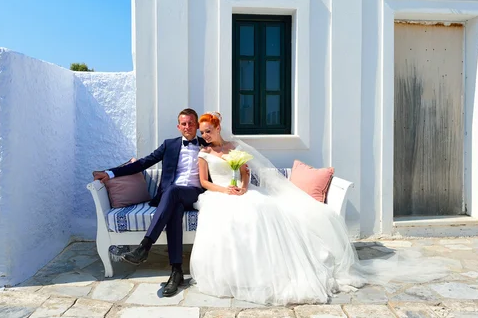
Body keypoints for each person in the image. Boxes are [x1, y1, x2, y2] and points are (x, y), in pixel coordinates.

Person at [189, 112, 447, 306]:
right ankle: (237, 274)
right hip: (220, 195)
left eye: (208, 130)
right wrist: (227, 191)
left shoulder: (234, 148)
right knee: (230, 219)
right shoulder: (204, 152)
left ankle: (276, 269)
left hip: (242, 192)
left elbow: (245, 173)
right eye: (203, 132)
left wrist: (243, 187)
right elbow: (204, 182)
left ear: (218, 127)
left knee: (262, 209)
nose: (205, 135)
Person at [93, 108, 208, 297]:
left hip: (195, 194)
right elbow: (143, 163)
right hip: (173, 197)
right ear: (178, 126)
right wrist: (110, 173)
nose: (187, 127)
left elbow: (224, 156)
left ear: (197, 125)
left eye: (191, 123)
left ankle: (145, 246)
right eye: (184, 123)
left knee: (173, 192)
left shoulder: (207, 144)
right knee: (174, 209)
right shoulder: (169, 145)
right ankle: (176, 271)